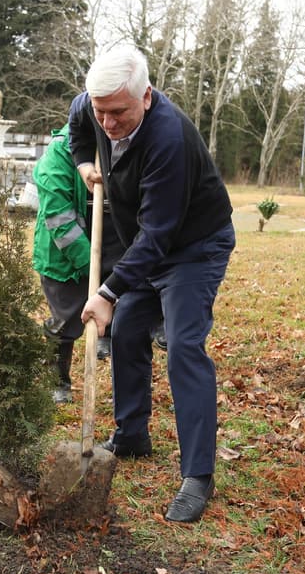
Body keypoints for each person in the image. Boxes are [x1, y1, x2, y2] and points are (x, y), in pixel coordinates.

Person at [70, 46, 236, 524]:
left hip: (192, 246)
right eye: (100, 110)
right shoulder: (94, 106)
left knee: (183, 344)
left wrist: (105, 292)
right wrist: (84, 162)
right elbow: (79, 127)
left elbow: (161, 235)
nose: (108, 121)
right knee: (125, 331)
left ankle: (197, 475)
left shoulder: (170, 138)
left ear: (146, 96)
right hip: (144, 240)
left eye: (118, 112)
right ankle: (132, 433)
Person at [32, 124, 122, 404]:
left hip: (115, 244)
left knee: (125, 312)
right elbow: (60, 220)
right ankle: (57, 380)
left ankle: (109, 341)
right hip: (63, 255)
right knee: (67, 317)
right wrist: (91, 271)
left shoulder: (129, 144)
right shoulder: (58, 154)